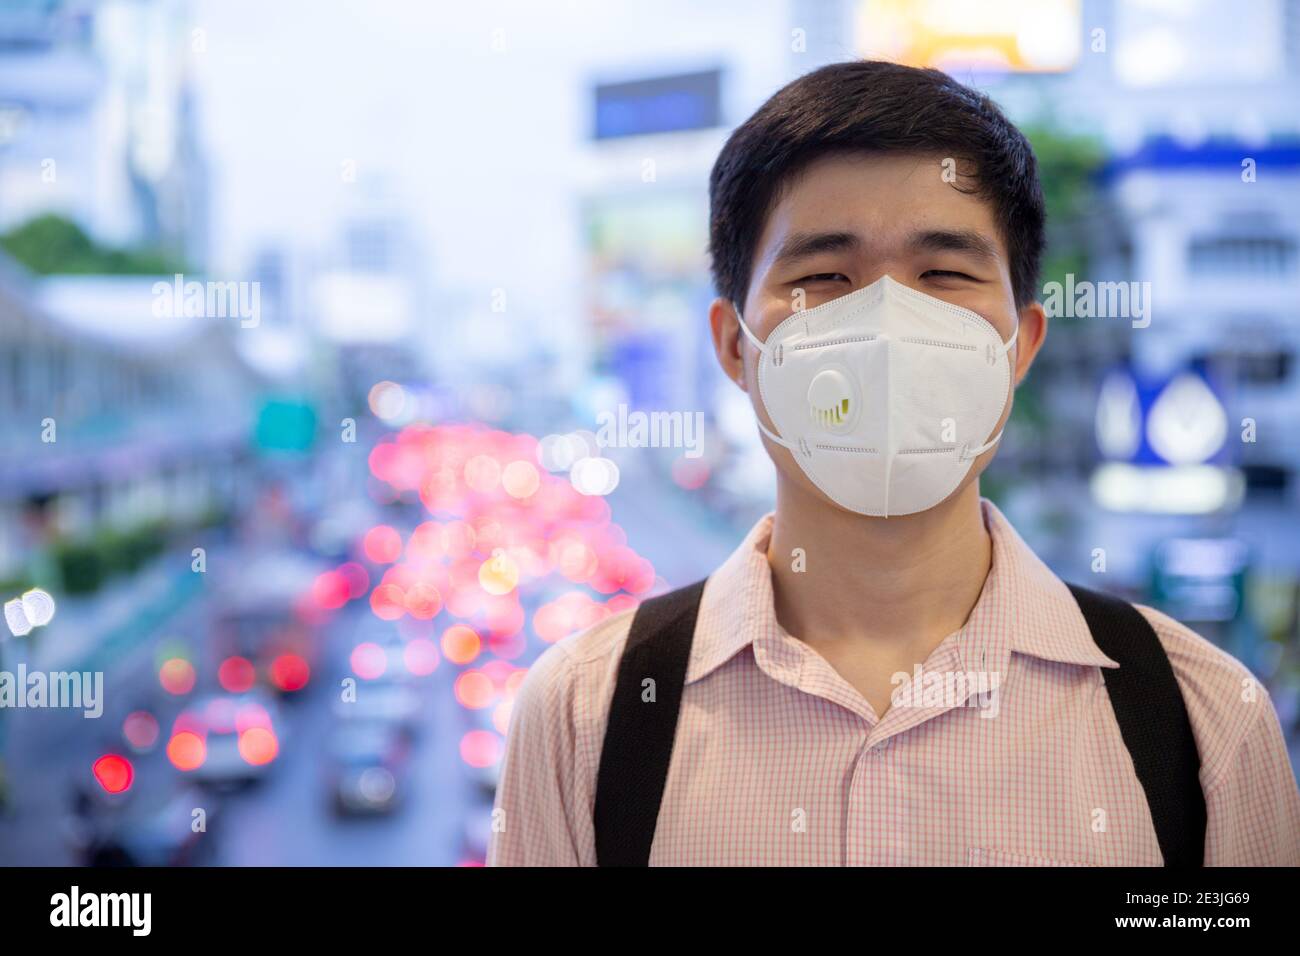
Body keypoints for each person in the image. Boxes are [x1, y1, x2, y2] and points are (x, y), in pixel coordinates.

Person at [488, 60, 1300, 866]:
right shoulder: (587, 719)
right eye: (823, 277)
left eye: (943, 273)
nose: (886, 323)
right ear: (736, 346)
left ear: (1020, 345)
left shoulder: (1201, 724)